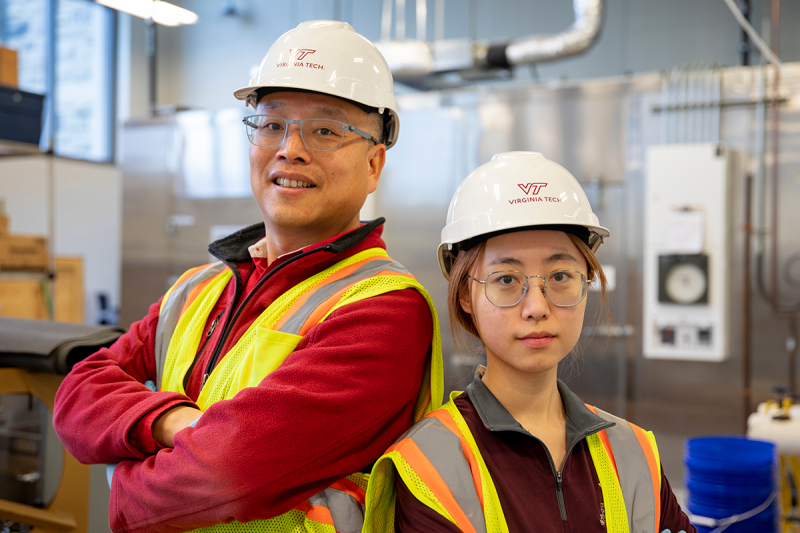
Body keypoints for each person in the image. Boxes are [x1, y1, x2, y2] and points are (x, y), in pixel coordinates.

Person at [53, 20, 443, 533]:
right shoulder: (197, 289)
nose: (291, 148)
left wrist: (121, 478)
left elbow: (224, 473)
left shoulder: (383, 310)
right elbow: (77, 393)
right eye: (271, 124)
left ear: (374, 163)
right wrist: (172, 421)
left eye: (325, 130)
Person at [362, 152, 696, 533]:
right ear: (465, 297)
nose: (537, 307)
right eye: (506, 279)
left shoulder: (634, 453)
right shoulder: (430, 465)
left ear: (585, 282)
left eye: (560, 276)